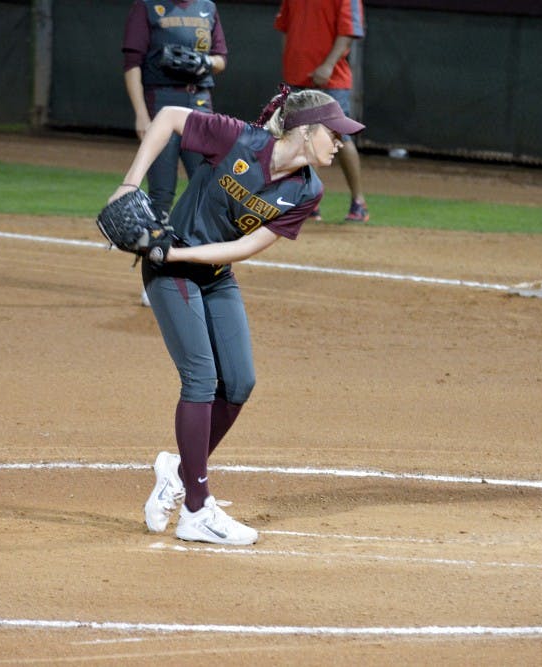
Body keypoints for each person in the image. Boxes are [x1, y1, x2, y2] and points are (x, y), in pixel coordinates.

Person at [107, 86, 364, 545]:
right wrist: (130, 184)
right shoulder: (238, 140)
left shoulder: (308, 190)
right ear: (304, 132)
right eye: (334, 132)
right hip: (170, 273)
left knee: (240, 382)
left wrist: (183, 256)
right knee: (201, 378)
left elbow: (245, 247)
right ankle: (195, 509)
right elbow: (166, 116)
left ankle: (179, 471)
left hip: (206, 268)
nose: (340, 142)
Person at [122, 0, 228, 306]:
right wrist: (141, 114)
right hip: (161, 101)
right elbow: (132, 63)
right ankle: (155, 277)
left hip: (200, 106)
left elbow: (221, 58)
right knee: (161, 194)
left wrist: (204, 63)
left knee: (207, 190)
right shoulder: (148, 6)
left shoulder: (207, 7)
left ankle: (204, 272)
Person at [275, 0, 370, 223]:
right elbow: (285, 28)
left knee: (340, 137)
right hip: (297, 76)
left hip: (331, 78)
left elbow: (349, 32)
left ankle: (359, 202)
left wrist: (328, 64)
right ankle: (309, 202)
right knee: (298, 139)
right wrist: (289, 64)